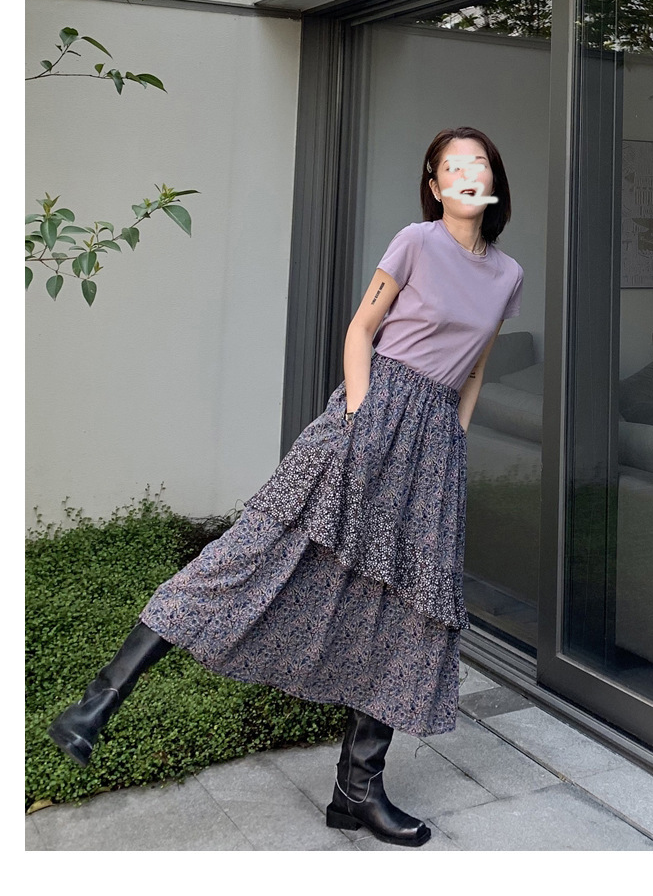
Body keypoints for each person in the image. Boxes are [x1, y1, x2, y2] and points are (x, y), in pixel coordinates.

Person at [47, 125, 524, 848]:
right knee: (257, 549)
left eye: (477, 162)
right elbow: (361, 330)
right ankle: (94, 705)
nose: (466, 173)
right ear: (434, 186)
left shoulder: (507, 274)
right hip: (373, 412)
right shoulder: (415, 243)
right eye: (450, 165)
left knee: (408, 610)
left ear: (492, 180)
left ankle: (356, 791)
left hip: (434, 445)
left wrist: (454, 438)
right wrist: (360, 417)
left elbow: (477, 364)